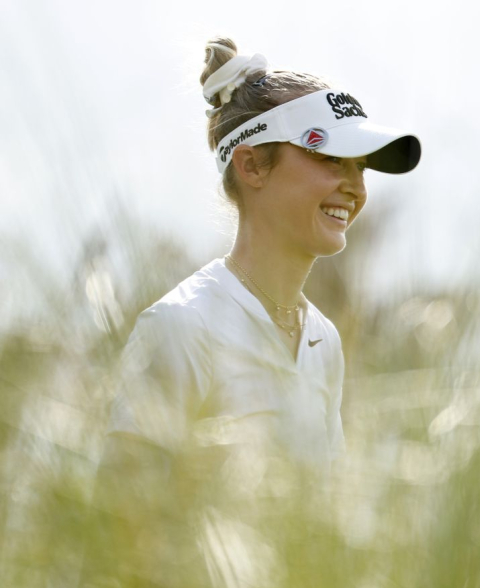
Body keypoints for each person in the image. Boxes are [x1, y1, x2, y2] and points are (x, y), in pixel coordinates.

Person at [104, 37, 421, 475]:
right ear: (251, 165)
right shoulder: (180, 325)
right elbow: (121, 515)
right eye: (330, 157)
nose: (355, 187)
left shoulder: (322, 340)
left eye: (361, 166)